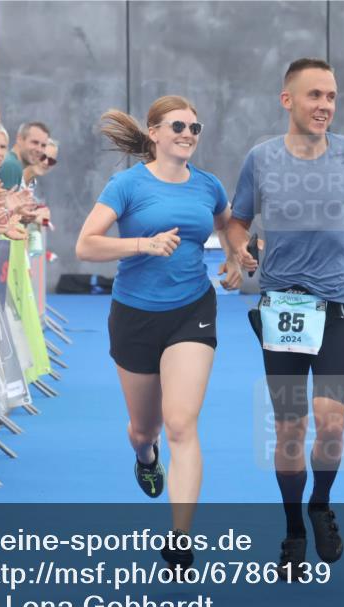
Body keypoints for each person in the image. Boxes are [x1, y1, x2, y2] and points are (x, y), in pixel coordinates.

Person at [226, 58, 344, 574]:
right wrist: (240, 252)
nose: (324, 105)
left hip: (339, 303)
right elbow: (238, 220)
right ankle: (294, 526)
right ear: (287, 100)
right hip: (283, 306)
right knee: (290, 429)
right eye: (314, 95)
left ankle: (321, 503)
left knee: (331, 423)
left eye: (332, 97)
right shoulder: (261, 158)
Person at [76, 96, 240, 573]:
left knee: (182, 424)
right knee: (144, 429)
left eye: (196, 126)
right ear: (155, 133)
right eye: (178, 126)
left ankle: (181, 538)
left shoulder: (208, 186)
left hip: (192, 310)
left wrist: (234, 258)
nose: (189, 133)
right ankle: (146, 456)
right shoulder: (126, 184)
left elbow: (230, 226)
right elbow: (86, 245)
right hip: (135, 316)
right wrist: (142, 244)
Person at [0, 122, 50, 190]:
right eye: (35, 142)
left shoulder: (13, 165)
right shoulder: (12, 166)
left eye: (43, 145)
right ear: (19, 139)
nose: (39, 149)